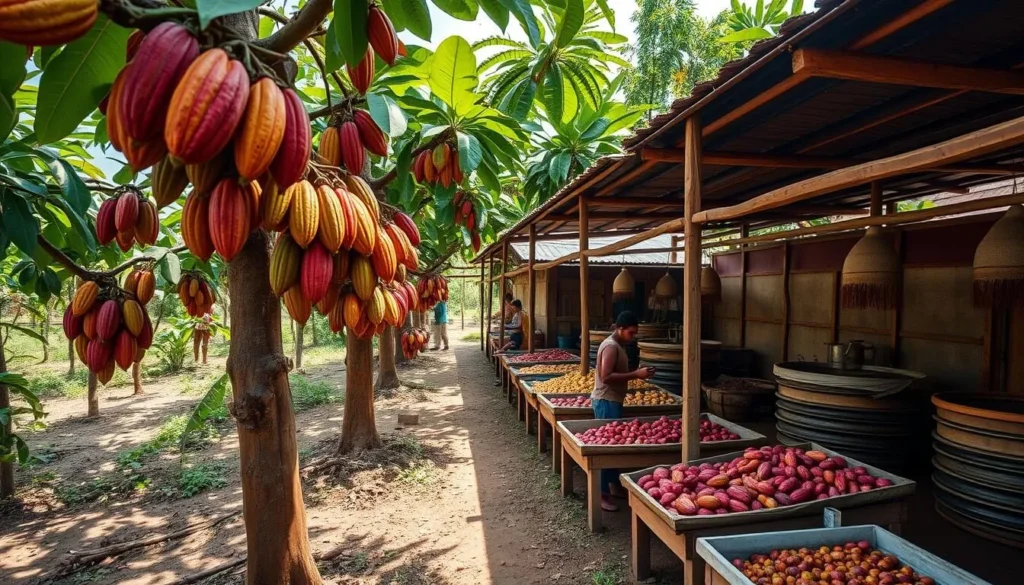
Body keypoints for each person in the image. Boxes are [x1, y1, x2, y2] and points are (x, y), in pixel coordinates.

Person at [592, 310, 656, 512]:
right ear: (619, 329)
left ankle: (613, 486)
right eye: (631, 332)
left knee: (614, 446)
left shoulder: (618, 344)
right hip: (606, 401)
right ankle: (601, 494)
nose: (633, 336)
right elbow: (606, 376)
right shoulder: (611, 346)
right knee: (605, 449)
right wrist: (636, 374)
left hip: (612, 400)